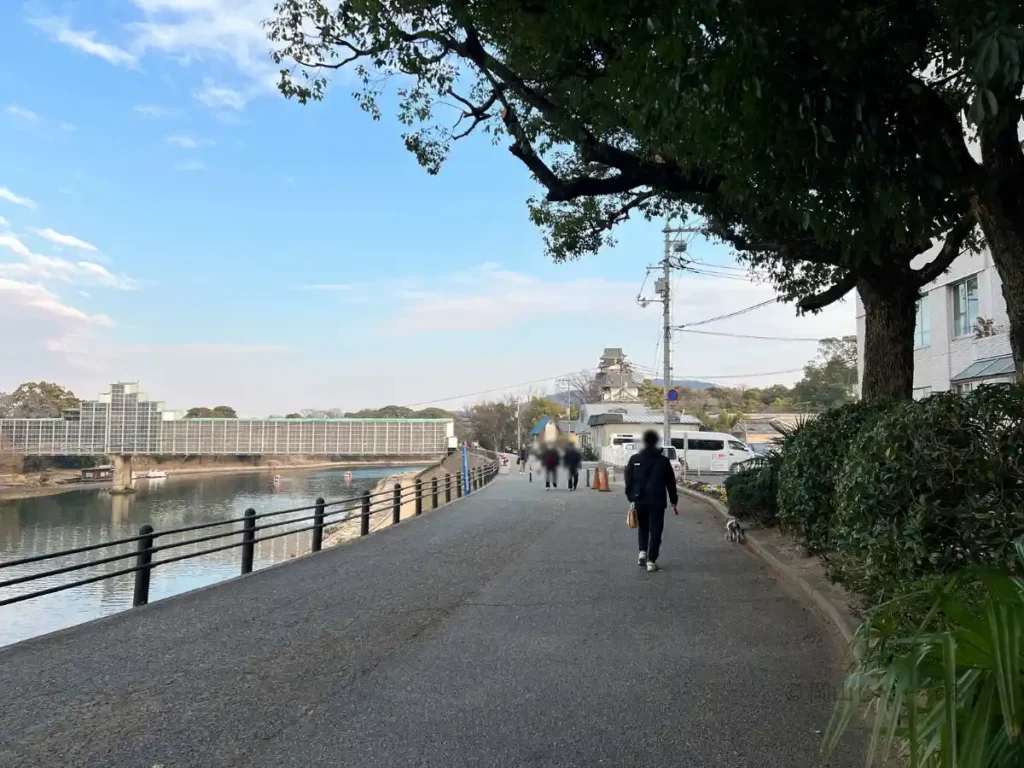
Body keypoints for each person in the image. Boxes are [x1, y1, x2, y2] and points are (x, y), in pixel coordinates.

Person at [624, 430, 679, 572]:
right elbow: (670, 483)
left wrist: (630, 496)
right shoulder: (663, 461)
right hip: (657, 500)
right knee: (656, 530)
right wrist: (673, 499)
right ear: (656, 442)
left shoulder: (635, 459)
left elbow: (628, 479)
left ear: (644, 442)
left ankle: (642, 552)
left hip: (639, 499)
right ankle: (651, 560)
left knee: (643, 526)